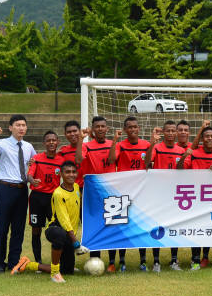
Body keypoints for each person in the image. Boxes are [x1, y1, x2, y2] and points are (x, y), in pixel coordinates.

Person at [10, 160, 88, 282]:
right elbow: (64, 220)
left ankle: (28, 264)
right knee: (59, 235)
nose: (71, 175)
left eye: (73, 172)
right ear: (61, 174)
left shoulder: (77, 188)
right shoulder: (58, 193)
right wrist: (75, 242)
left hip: (69, 233)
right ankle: (55, 274)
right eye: (67, 172)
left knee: (68, 270)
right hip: (55, 229)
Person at [0, 114, 36, 273]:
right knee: (3, 228)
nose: (21, 128)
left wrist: (33, 165)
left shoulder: (28, 146)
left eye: (23, 125)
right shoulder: (2, 143)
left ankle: (13, 262)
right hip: (6, 189)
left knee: (18, 229)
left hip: (22, 190)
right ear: (10, 127)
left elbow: (35, 163)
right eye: (18, 125)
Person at [108, 116, 150, 272]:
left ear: (138, 128)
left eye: (135, 127)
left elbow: (148, 164)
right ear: (125, 130)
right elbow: (112, 160)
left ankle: (143, 261)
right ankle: (119, 262)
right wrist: (114, 141)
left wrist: (152, 143)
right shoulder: (120, 145)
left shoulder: (146, 144)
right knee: (120, 225)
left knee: (141, 226)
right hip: (123, 191)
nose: (133, 129)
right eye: (130, 127)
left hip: (141, 191)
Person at [75, 116, 118, 270]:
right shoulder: (88, 145)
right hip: (92, 192)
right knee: (94, 225)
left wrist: (114, 142)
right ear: (93, 129)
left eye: (102, 126)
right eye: (97, 126)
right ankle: (95, 258)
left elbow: (113, 161)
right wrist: (81, 139)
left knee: (112, 224)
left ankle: (112, 262)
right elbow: (79, 160)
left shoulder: (113, 144)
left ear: (107, 129)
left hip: (110, 191)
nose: (100, 129)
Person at [184, 126, 212, 269]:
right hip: (196, 198)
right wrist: (185, 155)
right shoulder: (194, 153)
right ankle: (195, 260)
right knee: (197, 228)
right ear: (202, 139)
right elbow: (181, 172)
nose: (209, 138)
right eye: (207, 136)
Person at [145, 121, 185, 271]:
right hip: (158, 194)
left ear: (176, 133)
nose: (170, 133)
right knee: (157, 226)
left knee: (174, 226)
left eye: (172, 131)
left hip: (175, 194)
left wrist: (183, 157)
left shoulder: (180, 150)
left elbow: (182, 171)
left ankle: (174, 260)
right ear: (163, 132)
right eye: (167, 130)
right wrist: (151, 144)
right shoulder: (156, 148)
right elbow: (147, 163)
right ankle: (156, 262)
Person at [27, 130, 65, 265]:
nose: (51, 143)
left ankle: (60, 261)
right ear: (44, 143)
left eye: (54, 140)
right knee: (36, 229)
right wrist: (32, 180)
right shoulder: (36, 158)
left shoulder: (61, 160)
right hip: (37, 198)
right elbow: (29, 175)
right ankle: (38, 262)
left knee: (58, 230)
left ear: (58, 142)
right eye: (48, 140)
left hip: (53, 199)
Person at [58, 120, 84, 189]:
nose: (72, 134)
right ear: (65, 134)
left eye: (75, 131)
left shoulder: (88, 148)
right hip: (70, 189)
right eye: (69, 132)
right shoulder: (62, 151)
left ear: (80, 131)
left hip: (87, 188)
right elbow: (56, 168)